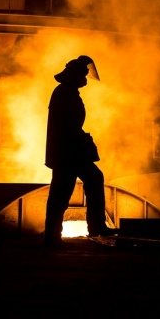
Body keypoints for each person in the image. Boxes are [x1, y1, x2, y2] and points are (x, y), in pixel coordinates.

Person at [43, 55, 118, 248]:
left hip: (69, 151)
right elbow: (67, 126)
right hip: (67, 152)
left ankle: (92, 227)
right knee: (63, 191)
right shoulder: (65, 93)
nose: (85, 78)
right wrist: (83, 141)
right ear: (74, 75)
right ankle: (56, 235)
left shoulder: (67, 92)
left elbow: (70, 125)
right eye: (83, 75)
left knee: (77, 185)